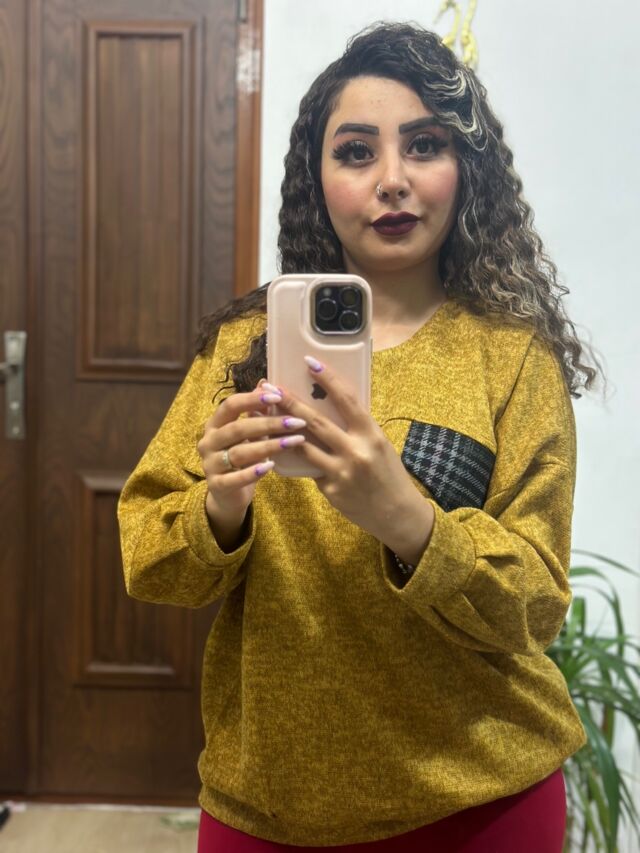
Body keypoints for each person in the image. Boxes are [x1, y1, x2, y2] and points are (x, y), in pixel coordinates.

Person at [118, 20, 604, 853]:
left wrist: (409, 521)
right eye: (355, 152)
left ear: (466, 168)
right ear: (317, 178)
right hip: (270, 805)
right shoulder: (246, 349)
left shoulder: (512, 357)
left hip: (482, 800)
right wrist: (221, 508)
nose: (392, 180)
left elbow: (536, 607)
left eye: (423, 146)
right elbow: (149, 559)